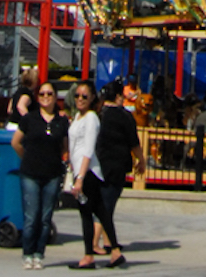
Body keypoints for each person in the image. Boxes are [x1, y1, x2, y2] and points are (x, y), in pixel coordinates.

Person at [12, 79, 69, 272]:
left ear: (55, 98)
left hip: (52, 174)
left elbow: (64, 147)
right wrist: (26, 157)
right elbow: (16, 142)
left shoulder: (61, 121)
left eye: (49, 94)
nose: (45, 97)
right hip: (30, 173)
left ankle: (39, 254)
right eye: (42, 94)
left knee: (45, 218)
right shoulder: (30, 119)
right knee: (31, 217)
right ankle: (27, 254)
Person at [66, 81, 118, 271]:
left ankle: (89, 255)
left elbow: (88, 149)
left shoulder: (91, 119)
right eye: (77, 96)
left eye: (84, 96)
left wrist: (80, 178)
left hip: (87, 172)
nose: (80, 99)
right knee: (100, 212)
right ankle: (116, 251)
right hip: (80, 170)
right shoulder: (78, 117)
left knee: (87, 213)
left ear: (92, 99)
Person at [94, 83, 142, 268]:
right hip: (117, 165)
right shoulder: (124, 116)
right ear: (118, 97)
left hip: (97, 163)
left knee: (104, 201)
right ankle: (96, 241)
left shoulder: (98, 115)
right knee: (107, 203)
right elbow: (133, 141)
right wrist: (141, 159)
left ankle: (107, 241)